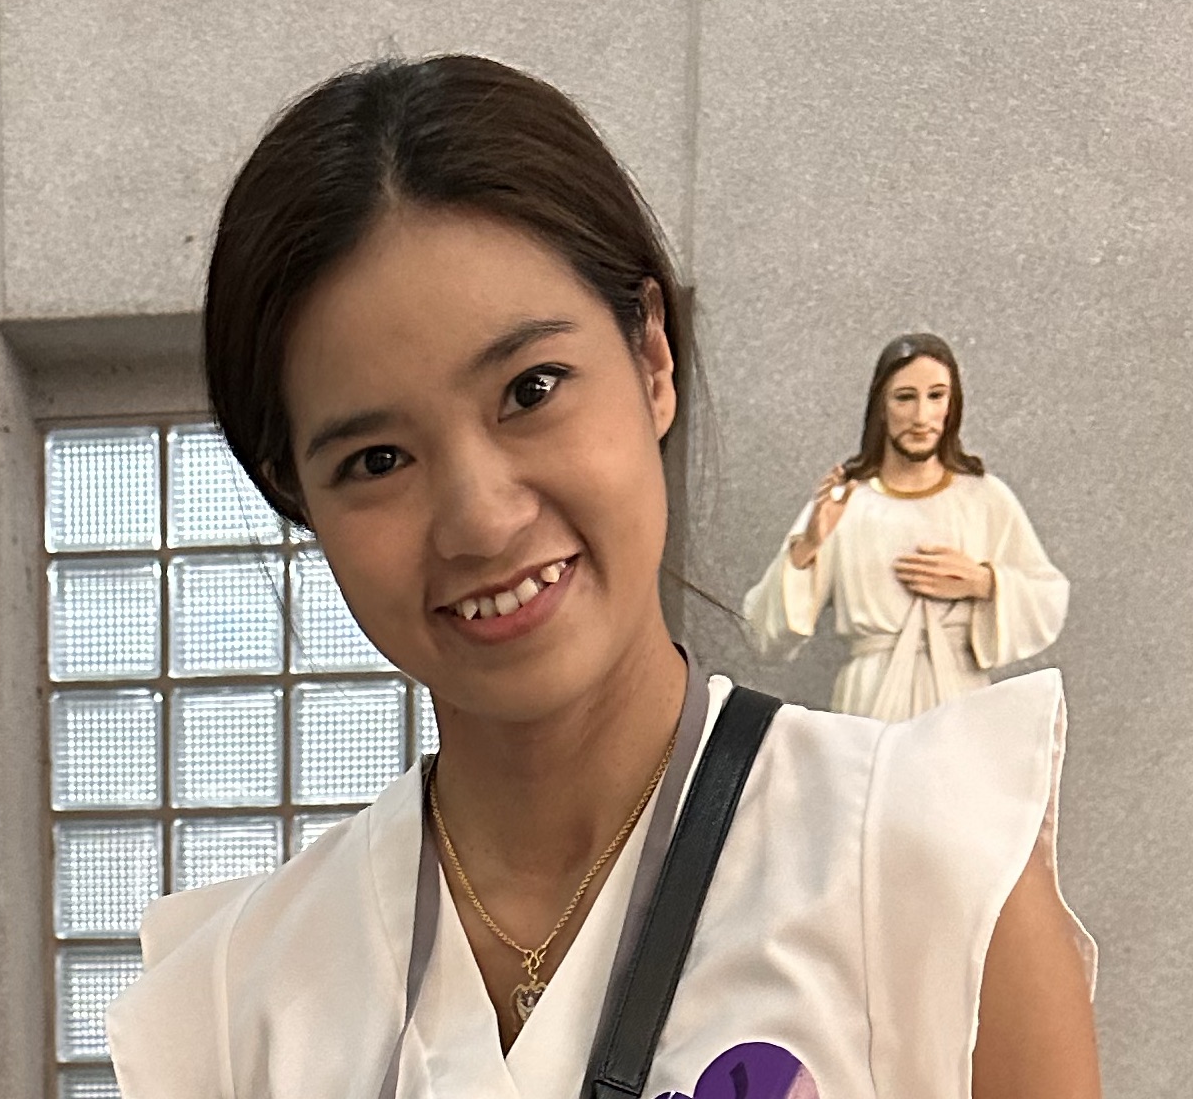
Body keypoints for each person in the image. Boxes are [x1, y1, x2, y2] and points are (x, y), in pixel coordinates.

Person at [106, 56, 1098, 1099]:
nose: (481, 520)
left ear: (653, 358)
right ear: (298, 496)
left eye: (532, 389)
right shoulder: (238, 1003)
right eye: (377, 459)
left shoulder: (927, 868)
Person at [742, 334, 1069, 722]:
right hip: (870, 699)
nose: (921, 416)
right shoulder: (848, 503)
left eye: (936, 396)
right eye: (905, 397)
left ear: (952, 405)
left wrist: (984, 583)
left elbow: (1047, 596)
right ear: (881, 406)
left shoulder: (984, 498)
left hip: (959, 698)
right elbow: (763, 633)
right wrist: (808, 547)